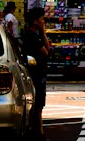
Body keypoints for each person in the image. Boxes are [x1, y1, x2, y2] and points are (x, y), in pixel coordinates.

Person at [21, 7, 50, 139]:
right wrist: (43, 32)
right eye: (41, 19)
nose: (43, 22)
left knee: (38, 102)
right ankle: (39, 132)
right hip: (35, 73)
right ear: (35, 21)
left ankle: (38, 130)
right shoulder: (31, 36)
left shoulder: (31, 34)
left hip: (37, 71)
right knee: (38, 103)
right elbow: (46, 51)